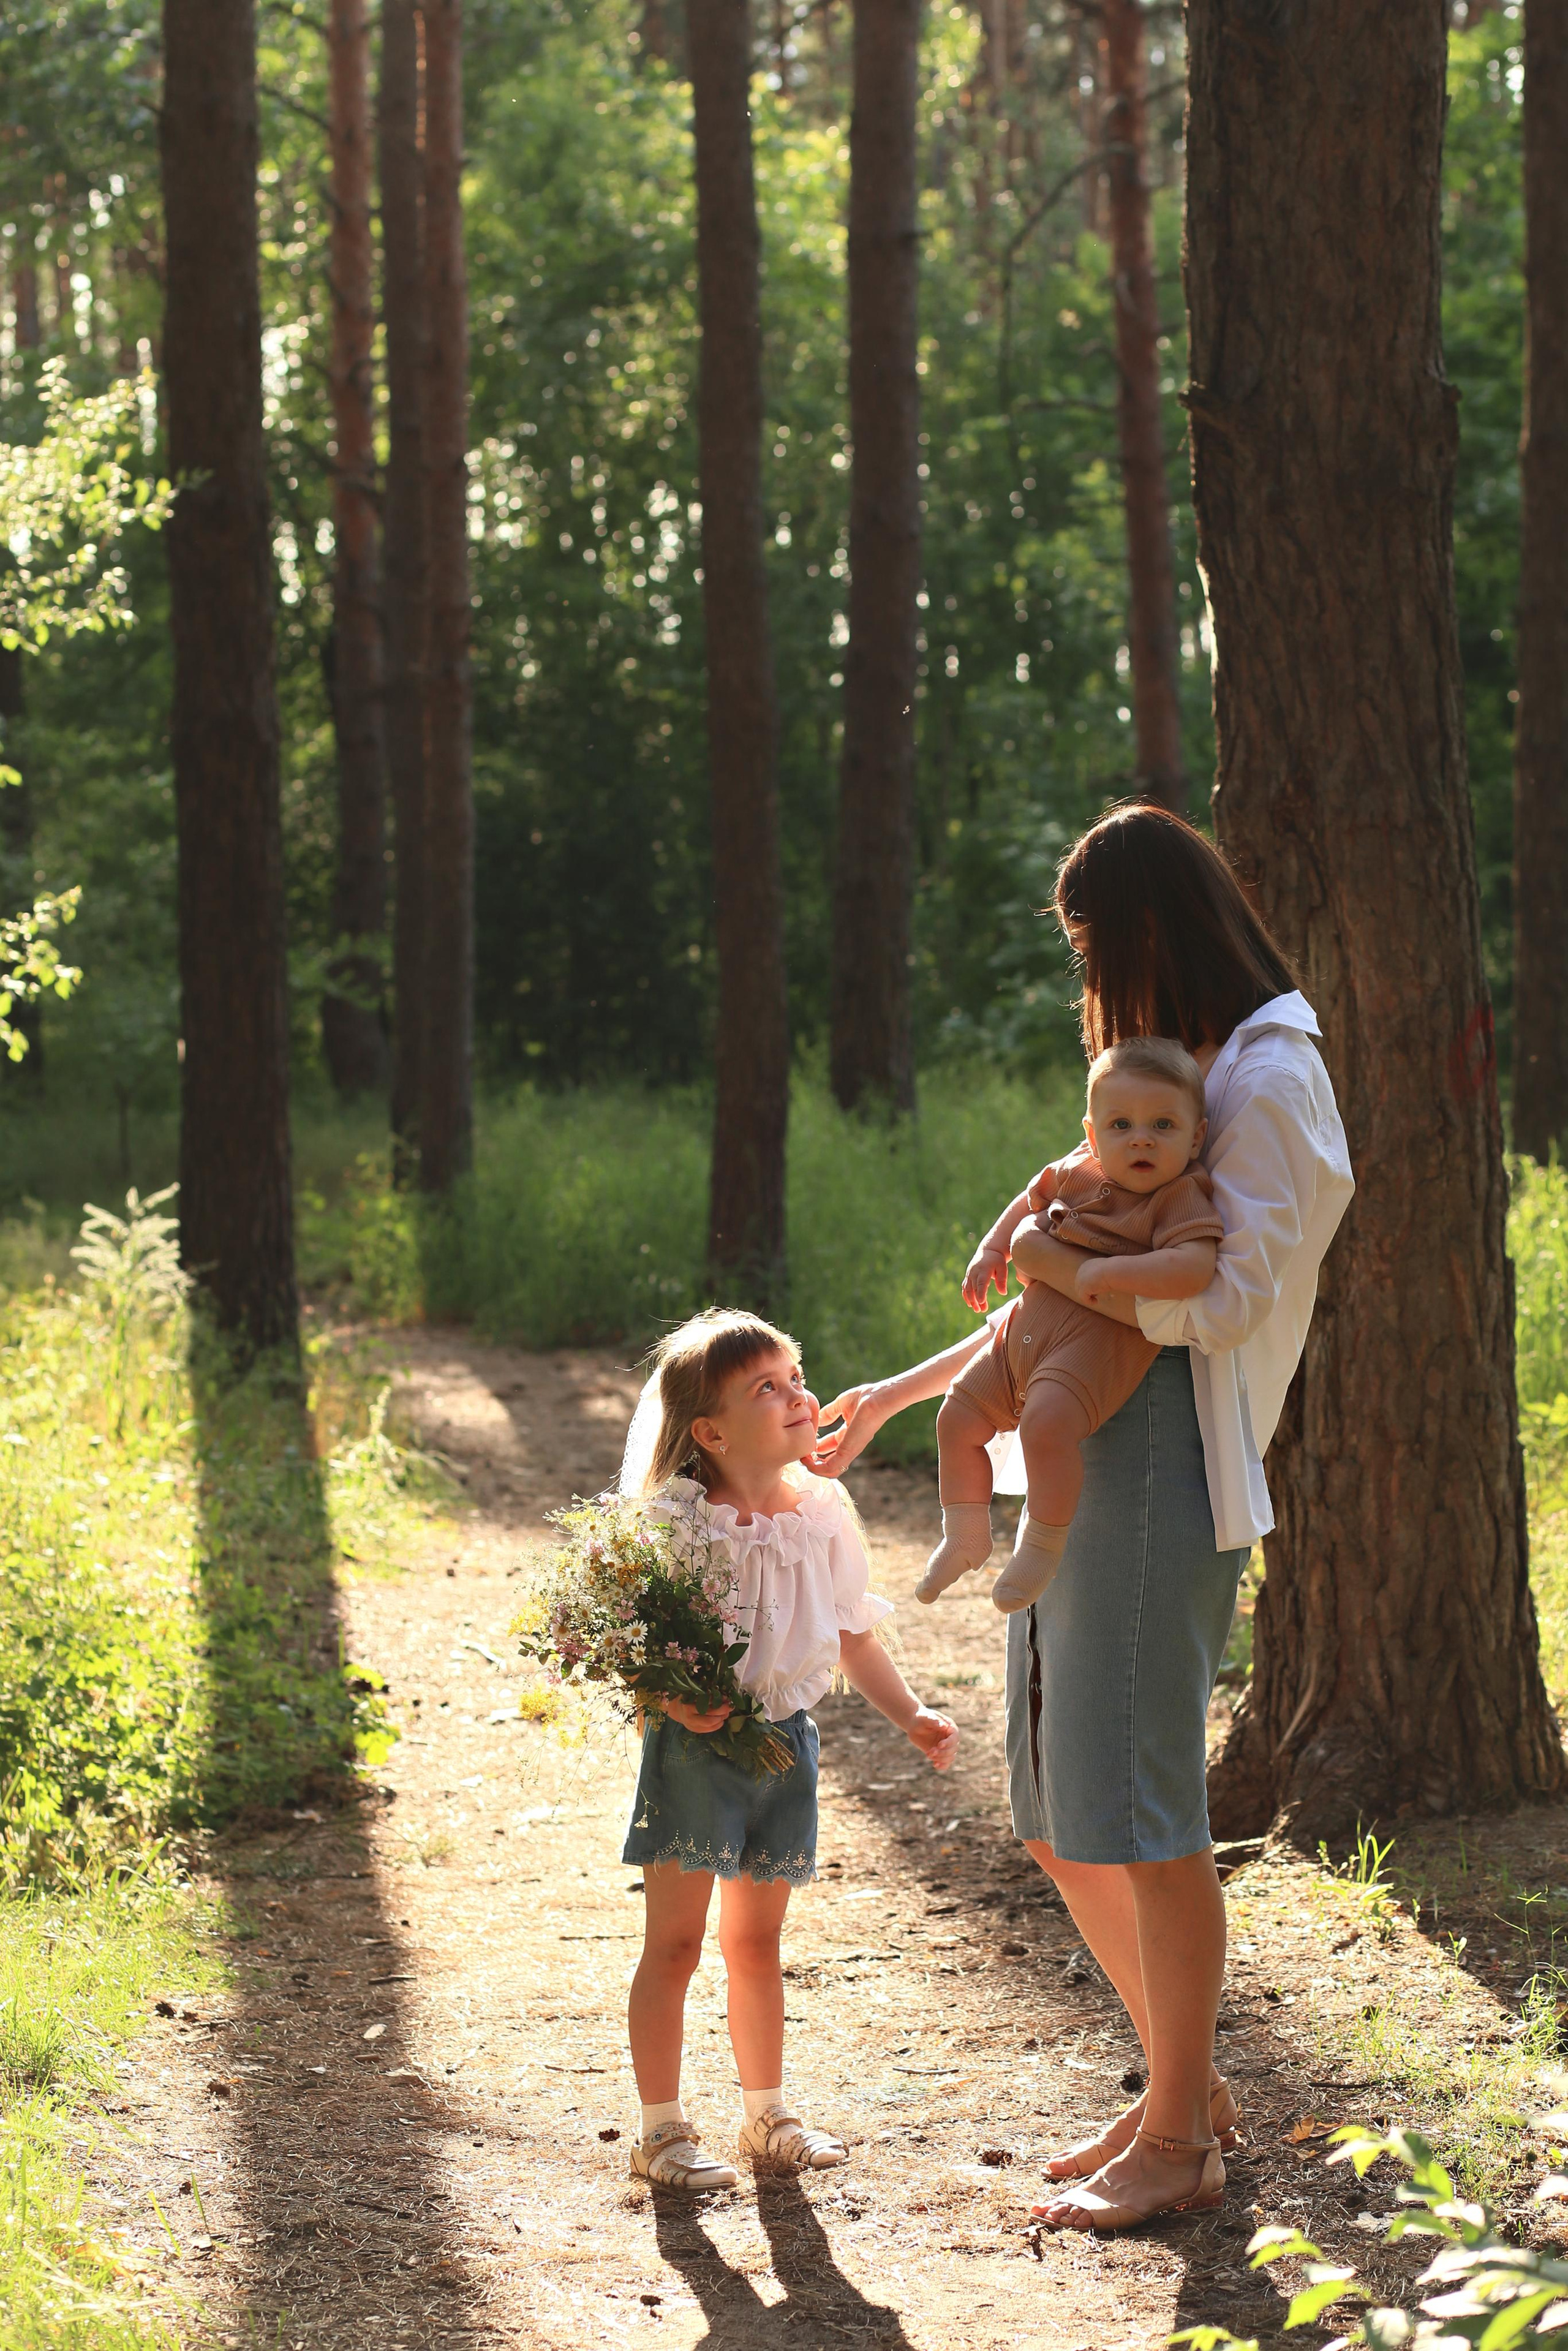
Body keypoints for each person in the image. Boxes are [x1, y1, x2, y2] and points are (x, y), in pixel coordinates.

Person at [812, 802, 1354, 2232]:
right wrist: (901, 1387)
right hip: (1085, 1443)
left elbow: (1223, 1300)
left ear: (1151, 934)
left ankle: (1177, 2135)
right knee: (1056, 1809)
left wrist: (1061, 1255)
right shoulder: (1185, 1069)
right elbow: (1057, 1293)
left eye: (1094, 953)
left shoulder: (1271, 1072)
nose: (1094, 987)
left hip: (1164, 1456)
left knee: (1143, 1807)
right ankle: (1185, 2086)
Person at [617, 1307, 959, 2192]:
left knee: (758, 1942)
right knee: (678, 1944)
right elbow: (632, 1642)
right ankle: (659, 2131)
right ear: (711, 1430)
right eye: (765, 1387)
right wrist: (673, 1700)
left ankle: (767, 2114)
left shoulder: (823, 1510)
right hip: (698, 1752)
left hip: (786, 1748)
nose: (796, 1394)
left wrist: (911, 1714)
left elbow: (852, 1633)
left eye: (795, 1376)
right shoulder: (681, 1521)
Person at [924, 1036, 1223, 1613]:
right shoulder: (1077, 1170)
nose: (1140, 1138)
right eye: (1121, 1125)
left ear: (1197, 1136)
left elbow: (1194, 1266)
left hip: (1092, 1344)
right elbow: (1026, 1200)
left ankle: (1041, 1546)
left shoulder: (1180, 1194)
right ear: (1091, 1134)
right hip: (1022, 1335)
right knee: (956, 1418)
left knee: (1046, 1427)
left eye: (1163, 1125)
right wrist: (992, 1250)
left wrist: (1112, 1271)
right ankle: (963, 1533)